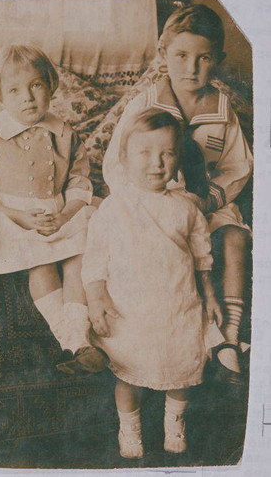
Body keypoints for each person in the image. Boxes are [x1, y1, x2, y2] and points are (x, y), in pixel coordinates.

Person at [103, 4, 253, 384]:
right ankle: (172, 331)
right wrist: (142, 202)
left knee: (235, 238)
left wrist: (211, 201)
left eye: (204, 59)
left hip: (203, 204)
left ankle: (231, 335)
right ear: (163, 52)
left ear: (217, 60)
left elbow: (238, 165)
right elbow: (116, 161)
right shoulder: (145, 104)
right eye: (181, 56)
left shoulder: (222, 111)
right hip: (153, 206)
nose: (192, 68)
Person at [0, 44, 108, 374]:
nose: (27, 97)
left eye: (36, 85)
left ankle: (82, 337)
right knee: (40, 264)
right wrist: (19, 217)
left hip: (60, 213)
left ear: (51, 87)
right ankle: (72, 340)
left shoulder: (64, 132)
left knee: (79, 257)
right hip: (11, 216)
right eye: (14, 90)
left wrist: (67, 214)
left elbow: (80, 181)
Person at [82, 109, 223, 458]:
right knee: (128, 375)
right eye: (144, 153)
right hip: (131, 309)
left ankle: (174, 420)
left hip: (178, 305)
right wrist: (96, 295)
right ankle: (129, 429)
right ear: (125, 158)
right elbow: (95, 258)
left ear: (178, 159)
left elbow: (202, 257)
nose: (156, 163)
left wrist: (210, 296)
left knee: (185, 370)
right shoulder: (114, 208)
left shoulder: (186, 208)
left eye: (167, 153)